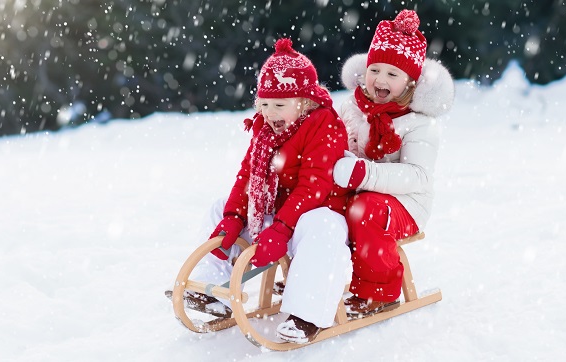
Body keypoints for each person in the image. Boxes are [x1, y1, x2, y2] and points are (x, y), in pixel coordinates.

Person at [183, 38, 352, 344]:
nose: (270, 112)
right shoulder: (265, 130)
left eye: (279, 104)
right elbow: (248, 175)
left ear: (303, 101)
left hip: (318, 213)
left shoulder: (324, 125)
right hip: (280, 217)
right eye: (264, 103)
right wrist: (234, 216)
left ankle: (306, 315)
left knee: (322, 227)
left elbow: (315, 185)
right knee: (219, 207)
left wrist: (284, 228)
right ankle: (210, 290)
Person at [332, 10, 454, 316]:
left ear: (410, 82)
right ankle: (314, 272)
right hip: (359, 191)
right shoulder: (353, 107)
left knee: (366, 211)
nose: (380, 80)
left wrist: (363, 172)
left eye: (392, 74)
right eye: (375, 69)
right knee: (317, 205)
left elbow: (416, 177)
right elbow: (339, 146)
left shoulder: (419, 124)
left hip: (406, 204)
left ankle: (378, 292)